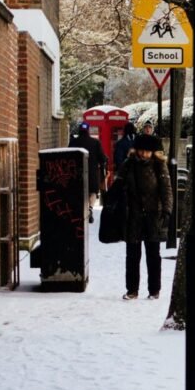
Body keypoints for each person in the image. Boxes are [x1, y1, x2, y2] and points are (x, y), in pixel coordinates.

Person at [116, 131, 172, 301]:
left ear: (153, 152)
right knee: (132, 255)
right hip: (132, 214)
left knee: (153, 255)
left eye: (147, 151)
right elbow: (119, 185)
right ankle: (132, 290)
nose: (143, 154)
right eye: (141, 150)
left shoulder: (158, 166)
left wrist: (167, 210)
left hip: (153, 215)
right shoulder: (128, 164)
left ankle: (154, 290)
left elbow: (166, 189)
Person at [69, 123, 106, 215]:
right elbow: (102, 158)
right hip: (91, 172)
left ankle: (81, 209)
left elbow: (68, 156)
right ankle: (90, 208)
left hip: (77, 173)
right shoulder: (95, 142)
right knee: (93, 191)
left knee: (79, 191)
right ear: (88, 130)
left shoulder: (73, 142)